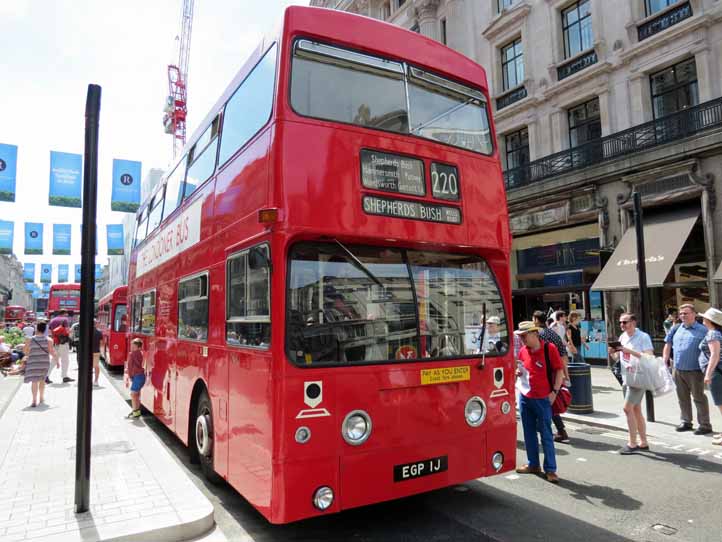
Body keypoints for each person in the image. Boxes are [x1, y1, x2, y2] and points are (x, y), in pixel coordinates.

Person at [514, 321, 564, 483]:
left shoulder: (550, 349)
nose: (522, 339)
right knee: (528, 433)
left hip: (543, 398)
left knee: (546, 434)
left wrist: (554, 392)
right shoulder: (522, 351)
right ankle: (533, 464)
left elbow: (559, 371)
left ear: (534, 334)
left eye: (524, 336)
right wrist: (518, 372)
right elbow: (523, 370)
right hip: (525, 396)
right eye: (520, 336)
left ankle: (550, 469)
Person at [663, 304, 712, 435]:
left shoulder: (704, 330)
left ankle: (705, 425)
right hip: (678, 369)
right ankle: (686, 421)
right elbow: (668, 345)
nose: (683, 316)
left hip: (695, 371)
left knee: (698, 397)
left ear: (694, 314)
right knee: (682, 397)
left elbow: (713, 348)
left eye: (686, 313)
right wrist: (665, 361)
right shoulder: (676, 328)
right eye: (681, 314)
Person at [609, 313, 654, 454]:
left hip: (638, 378)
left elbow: (649, 356)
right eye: (620, 322)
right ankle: (643, 442)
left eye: (625, 322)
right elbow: (618, 357)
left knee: (627, 409)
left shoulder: (643, 337)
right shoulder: (623, 337)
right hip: (626, 377)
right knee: (636, 410)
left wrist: (629, 350)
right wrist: (612, 352)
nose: (622, 325)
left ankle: (632, 443)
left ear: (633, 322)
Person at [532, 311, 570, 443]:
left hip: (545, 373)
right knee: (550, 403)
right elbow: (563, 353)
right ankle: (560, 430)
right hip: (556, 372)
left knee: (545, 402)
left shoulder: (539, 335)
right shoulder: (553, 333)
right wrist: (565, 374)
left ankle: (550, 430)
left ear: (536, 320)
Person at [698, 308, 722, 445]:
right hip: (717, 372)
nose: (702, 319)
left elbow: (715, 355)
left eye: (705, 318)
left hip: (716, 373)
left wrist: (708, 374)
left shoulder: (713, 334)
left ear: (710, 321)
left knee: (721, 404)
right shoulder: (716, 333)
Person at [22, 321, 56, 407]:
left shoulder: (29, 339)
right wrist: (57, 361)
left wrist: (31, 353)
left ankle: (34, 400)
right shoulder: (49, 340)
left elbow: (25, 351)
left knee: (34, 381)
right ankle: (41, 397)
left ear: (37, 329)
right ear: (45, 330)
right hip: (44, 363)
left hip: (32, 362)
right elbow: (52, 352)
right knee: (42, 380)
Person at [48, 310, 73, 383]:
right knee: (65, 360)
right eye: (67, 314)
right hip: (63, 342)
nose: (67, 315)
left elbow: (50, 332)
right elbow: (67, 330)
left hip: (55, 342)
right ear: (64, 313)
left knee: (54, 360)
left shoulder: (52, 320)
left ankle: (46, 376)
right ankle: (64, 376)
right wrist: (70, 332)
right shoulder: (65, 319)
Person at [124, 338, 145, 419]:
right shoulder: (141, 353)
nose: (132, 347)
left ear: (138, 347)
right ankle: (137, 412)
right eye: (132, 345)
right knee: (137, 394)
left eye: (134, 346)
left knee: (133, 394)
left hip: (136, 376)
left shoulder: (131, 354)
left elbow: (129, 367)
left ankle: (134, 412)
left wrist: (130, 376)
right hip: (141, 376)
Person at [92, 319, 105, 386]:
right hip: (96, 351)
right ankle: (96, 381)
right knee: (96, 366)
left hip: (87, 352)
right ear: (95, 324)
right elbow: (102, 343)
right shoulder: (99, 332)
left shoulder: (86, 331)